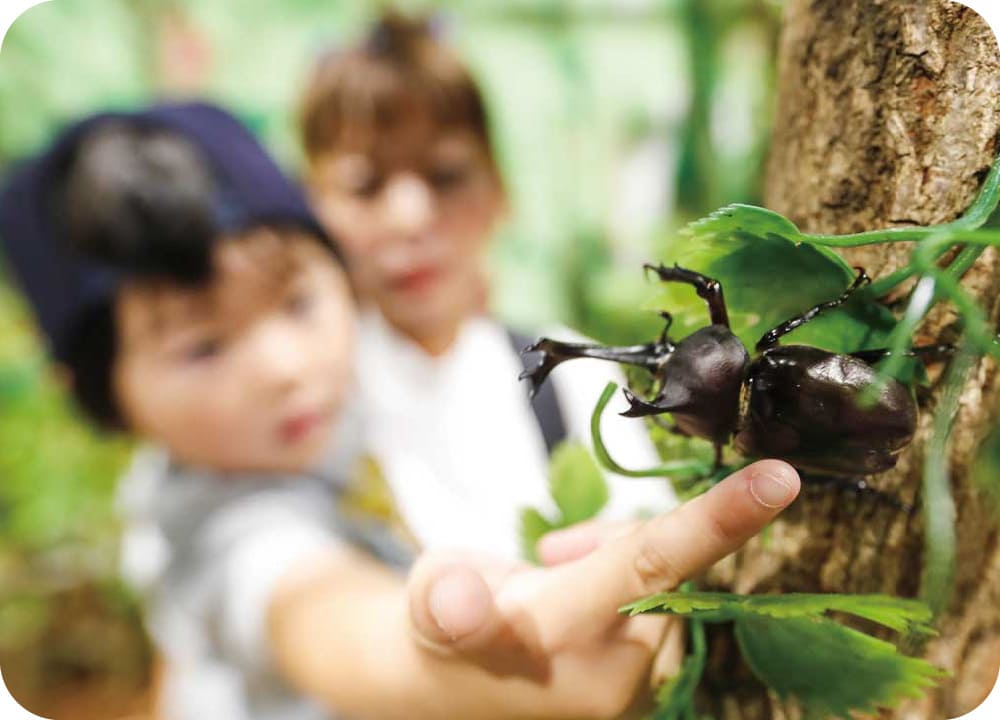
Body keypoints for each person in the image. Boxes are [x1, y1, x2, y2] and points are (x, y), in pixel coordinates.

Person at [0, 100, 801, 719]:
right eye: (201, 348)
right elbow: (310, 609)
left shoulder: (412, 384)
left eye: (297, 301)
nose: (285, 367)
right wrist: (438, 652)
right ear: (102, 396)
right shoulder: (196, 511)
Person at [299, 13, 675, 561]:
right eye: (366, 186)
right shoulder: (298, 405)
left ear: (498, 188)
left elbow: (655, 566)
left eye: (446, 175)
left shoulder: (572, 374)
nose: (411, 216)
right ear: (312, 208)